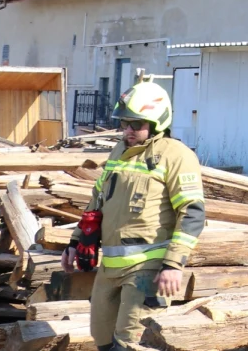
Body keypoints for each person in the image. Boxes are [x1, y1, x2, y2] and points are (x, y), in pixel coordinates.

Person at [60, 75, 206, 351]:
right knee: (102, 339)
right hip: (110, 268)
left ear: (157, 122)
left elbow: (193, 213)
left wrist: (173, 264)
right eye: (124, 123)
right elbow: (97, 202)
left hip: (147, 270)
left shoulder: (176, 155)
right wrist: (74, 242)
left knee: (132, 345)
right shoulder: (119, 152)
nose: (128, 130)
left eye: (136, 124)